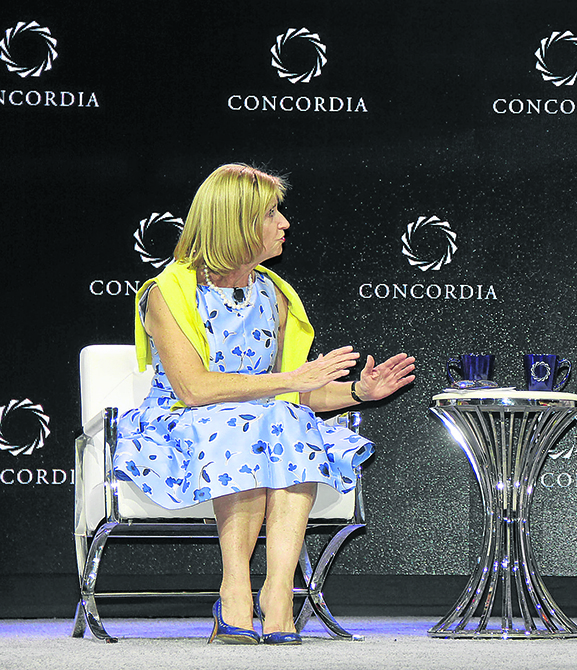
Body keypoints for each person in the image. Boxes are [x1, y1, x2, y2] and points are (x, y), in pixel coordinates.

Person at [113, 163, 416, 645]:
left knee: (281, 417)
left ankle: (278, 594)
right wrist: (290, 382)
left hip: (264, 425)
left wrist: (359, 392)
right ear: (236, 222)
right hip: (181, 425)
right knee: (259, 421)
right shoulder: (167, 292)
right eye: (272, 213)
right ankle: (235, 589)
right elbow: (194, 390)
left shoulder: (274, 294)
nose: (284, 223)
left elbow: (293, 393)